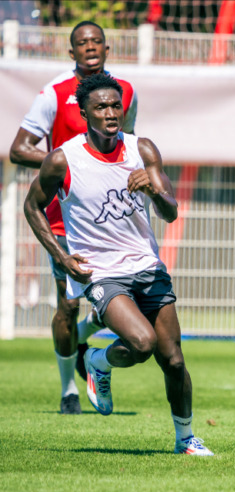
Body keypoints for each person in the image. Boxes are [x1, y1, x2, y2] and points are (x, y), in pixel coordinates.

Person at [24, 73, 212, 456]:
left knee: (173, 359)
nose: (111, 113)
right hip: (101, 272)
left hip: (147, 265)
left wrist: (154, 189)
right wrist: (62, 258)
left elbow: (171, 213)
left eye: (115, 105)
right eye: (101, 107)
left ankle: (186, 438)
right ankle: (97, 359)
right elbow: (32, 206)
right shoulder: (63, 159)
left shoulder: (142, 149)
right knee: (141, 343)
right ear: (83, 113)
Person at [9, 21, 138, 415]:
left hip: (113, 218)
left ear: (107, 47)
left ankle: (85, 344)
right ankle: (69, 389)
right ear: (72, 52)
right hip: (65, 220)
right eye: (82, 43)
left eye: (96, 40)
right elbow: (18, 149)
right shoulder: (54, 93)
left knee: (127, 303)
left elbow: (127, 143)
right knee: (68, 305)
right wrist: (65, 162)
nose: (90, 47)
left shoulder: (126, 91)